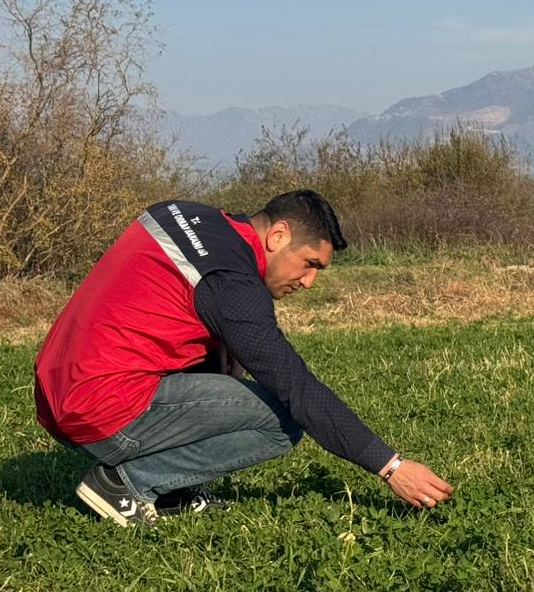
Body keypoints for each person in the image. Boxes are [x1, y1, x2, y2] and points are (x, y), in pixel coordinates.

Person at [34, 189, 453, 524]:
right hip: (102, 409)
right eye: (310, 264)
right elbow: (295, 386)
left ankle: (172, 492)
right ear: (278, 236)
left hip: (58, 392)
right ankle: (127, 485)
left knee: (229, 373)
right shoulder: (231, 282)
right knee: (283, 420)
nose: (308, 282)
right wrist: (391, 467)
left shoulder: (181, 214)